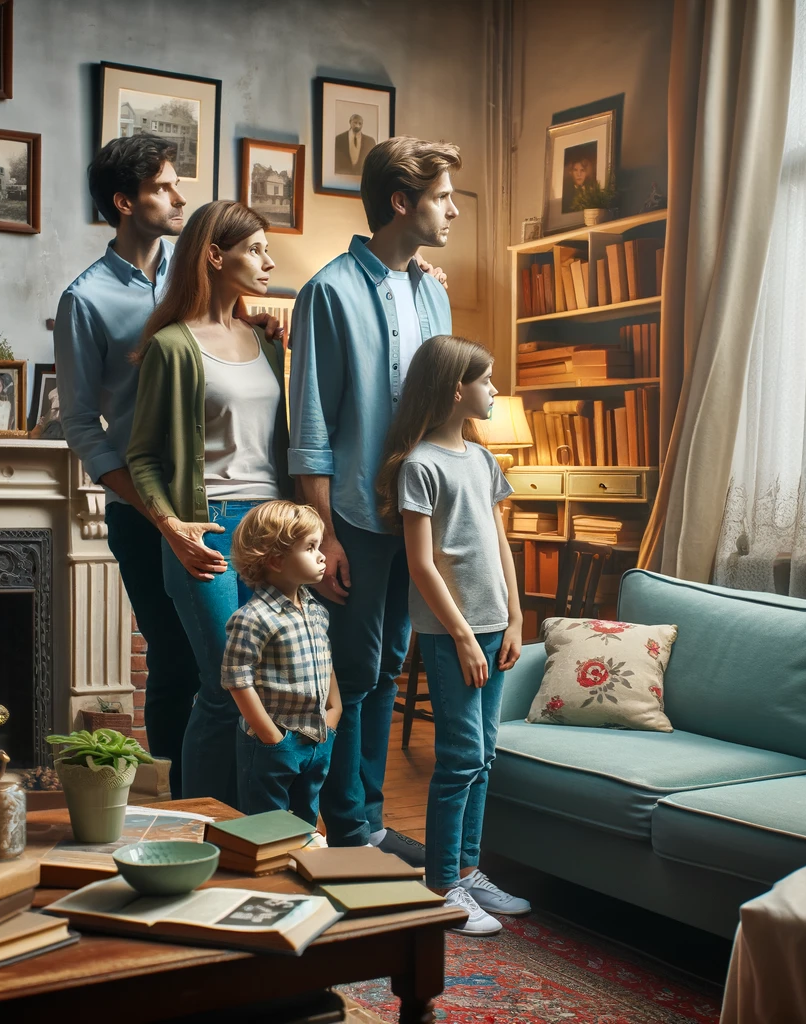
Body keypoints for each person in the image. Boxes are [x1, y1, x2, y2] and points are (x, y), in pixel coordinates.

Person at [54, 134, 280, 799]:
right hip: (144, 508)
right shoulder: (86, 299)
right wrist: (162, 515)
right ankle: (185, 807)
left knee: (231, 668)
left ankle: (233, 808)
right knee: (178, 664)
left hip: (223, 500)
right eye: (162, 186)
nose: (179, 195)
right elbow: (79, 429)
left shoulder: (203, 274)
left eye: (177, 184)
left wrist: (264, 332)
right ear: (125, 202)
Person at [289, 136, 461, 862]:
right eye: (443, 196)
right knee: (352, 671)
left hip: (413, 511)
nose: (454, 209)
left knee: (389, 663)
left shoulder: (436, 289)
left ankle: (369, 819)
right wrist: (324, 534)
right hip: (353, 513)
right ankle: (345, 826)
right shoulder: (326, 291)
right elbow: (312, 426)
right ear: (401, 202)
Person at [126, 200, 293, 808]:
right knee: (225, 688)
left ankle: (256, 827)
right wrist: (172, 528)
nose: (268, 261)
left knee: (271, 689)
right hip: (211, 531)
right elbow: (142, 455)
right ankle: (198, 827)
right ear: (215, 256)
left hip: (274, 533)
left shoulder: (271, 341)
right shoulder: (172, 346)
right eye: (255, 249)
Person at [376, 335, 529, 936]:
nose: (494, 390)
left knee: (483, 757)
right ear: (454, 388)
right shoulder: (420, 465)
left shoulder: (484, 461)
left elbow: (500, 545)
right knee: (460, 758)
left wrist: (516, 618)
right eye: (486, 380)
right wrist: (463, 635)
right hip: (451, 635)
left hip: (494, 627)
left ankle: (468, 869)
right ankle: (441, 885)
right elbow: (421, 565)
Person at [222, 500, 342, 820]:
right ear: (276, 560)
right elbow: (237, 680)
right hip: (274, 745)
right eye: (310, 547)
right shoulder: (253, 618)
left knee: (305, 821)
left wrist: (334, 711)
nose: (321, 555)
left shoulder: (314, 610)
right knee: (267, 826)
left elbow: (324, 658)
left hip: (315, 739)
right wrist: (273, 739)